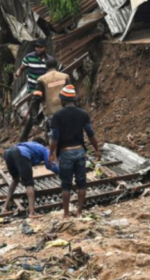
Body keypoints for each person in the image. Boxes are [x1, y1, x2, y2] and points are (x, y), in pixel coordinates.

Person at [49, 85, 101, 219]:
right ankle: (79, 212)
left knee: (66, 185)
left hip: (66, 153)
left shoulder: (57, 115)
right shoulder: (83, 114)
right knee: (81, 183)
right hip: (80, 152)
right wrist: (96, 149)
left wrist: (51, 153)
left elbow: (54, 138)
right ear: (74, 99)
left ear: (62, 100)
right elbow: (90, 133)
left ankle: (66, 214)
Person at [3, 137, 59, 217]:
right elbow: (50, 165)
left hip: (8, 153)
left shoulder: (27, 144)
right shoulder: (43, 148)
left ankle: (4, 207)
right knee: (29, 183)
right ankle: (32, 213)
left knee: (15, 179)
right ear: (42, 144)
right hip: (21, 154)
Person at [20, 59, 71, 142]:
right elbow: (71, 94)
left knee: (53, 136)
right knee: (66, 133)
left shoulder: (42, 79)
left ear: (46, 67)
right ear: (57, 65)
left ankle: (54, 153)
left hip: (50, 111)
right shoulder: (65, 76)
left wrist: (34, 115)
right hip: (65, 110)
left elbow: (37, 98)